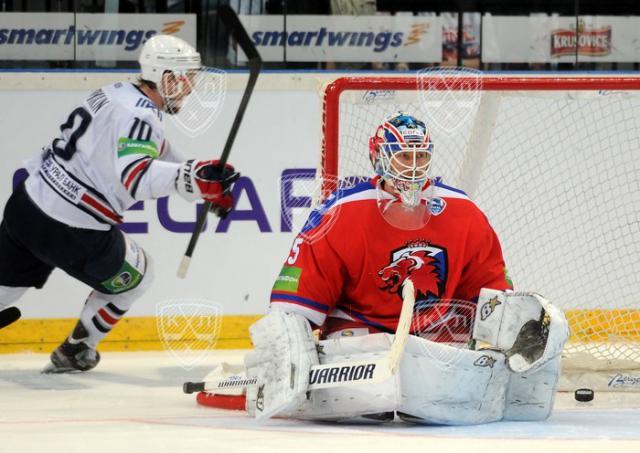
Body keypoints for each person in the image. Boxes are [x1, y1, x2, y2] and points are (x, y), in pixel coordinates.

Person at [243, 112, 569, 424]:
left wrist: (514, 334)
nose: (413, 167)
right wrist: (286, 358)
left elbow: (492, 291)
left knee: (443, 396)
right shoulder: (341, 213)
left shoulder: (463, 212)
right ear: (380, 158)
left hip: (433, 333)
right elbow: (293, 305)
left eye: (420, 156)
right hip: (362, 332)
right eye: (403, 156)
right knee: (370, 398)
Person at [0, 35, 239, 373]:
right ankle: (77, 350)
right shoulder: (142, 117)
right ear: (166, 77)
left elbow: (159, 150)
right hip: (73, 229)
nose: (190, 88)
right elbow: (137, 177)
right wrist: (193, 178)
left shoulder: (116, 93)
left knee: (4, 291)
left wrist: (201, 178)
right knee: (139, 277)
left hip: (26, 207)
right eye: (186, 79)